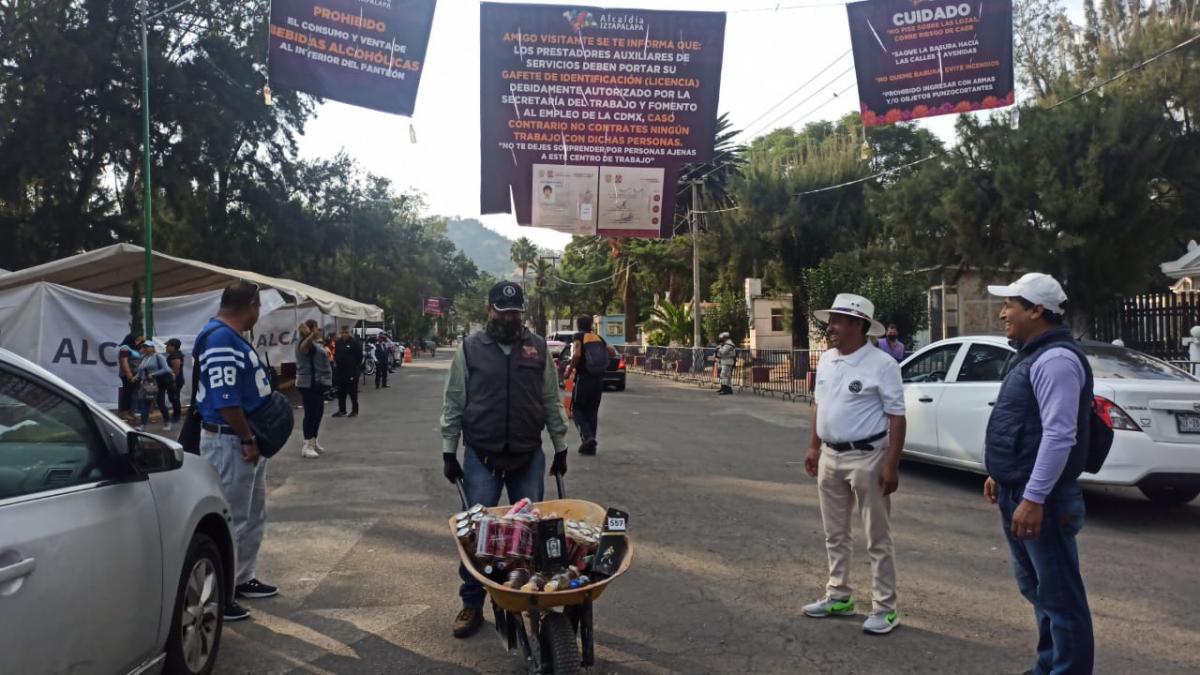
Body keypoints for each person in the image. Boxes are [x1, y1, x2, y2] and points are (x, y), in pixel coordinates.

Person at [440, 280, 570, 639]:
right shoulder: (469, 349)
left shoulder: (537, 348)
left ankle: (537, 597)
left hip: (528, 454)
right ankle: (471, 603)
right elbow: (454, 401)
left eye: (515, 311)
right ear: (489, 309)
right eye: (502, 310)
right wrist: (449, 450)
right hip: (482, 455)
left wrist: (560, 445)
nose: (509, 317)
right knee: (476, 535)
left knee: (532, 533)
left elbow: (550, 399)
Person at [982, 273, 1094, 674]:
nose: (1002, 313)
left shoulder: (1057, 360)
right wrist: (1002, 472)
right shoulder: (1032, 354)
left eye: (1010, 304)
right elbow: (1024, 426)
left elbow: (1059, 436)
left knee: (1061, 600)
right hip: (1022, 490)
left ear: (1037, 310)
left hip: (1043, 500)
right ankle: (1048, 667)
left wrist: (1033, 498)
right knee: (1040, 592)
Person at [803, 293, 907, 635]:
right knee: (835, 533)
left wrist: (891, 464)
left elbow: (896, 416)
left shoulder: (882, 365)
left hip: (868, 458)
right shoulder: (829, 360)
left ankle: (885, 607)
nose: (830, 327)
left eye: (837, 320)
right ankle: (839, 595)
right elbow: (819, 405)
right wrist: (814, 447)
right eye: (830, 320)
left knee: (877, 536)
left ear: (858, 325)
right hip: (831, 456)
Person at [194, 280, 278, 622]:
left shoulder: (230, 338)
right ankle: (221, 594)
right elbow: (225, 397)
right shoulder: (221, 339)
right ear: (252, 305)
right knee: (232, 520)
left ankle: (242, 578)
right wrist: (246, 438)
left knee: (252, 515)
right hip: (231, 440)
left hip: (243, 439)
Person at [567, 314, 616, 455]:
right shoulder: (598, 338)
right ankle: (591, 446)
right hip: (598, 380)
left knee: (576, 409)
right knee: (592, 411)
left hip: (584, 379)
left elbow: (576, 355)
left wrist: (569, 370)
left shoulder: (579, 336)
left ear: (578, 325)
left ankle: (587, 438)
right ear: (591, 325)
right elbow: (612, 352)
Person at [295, 319, 332, 459]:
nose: (319, 331)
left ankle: (313, 441)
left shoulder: (315, 344)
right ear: (312, 329)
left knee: (318, 413)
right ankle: (306, 445)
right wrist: (312, 336)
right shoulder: (304, 342)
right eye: (316, 328)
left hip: (318, 383)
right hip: (308, 383)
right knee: (310, 414)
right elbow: (303, 348)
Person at [134, 341, 173, 431]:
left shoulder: (158, 356)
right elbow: (141, 370)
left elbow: (166, 369)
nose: (145, 348)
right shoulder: (144, 358)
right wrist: (136, 377)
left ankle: (167, 422)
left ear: (152, 348)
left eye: (147, 347)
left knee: (160, 404)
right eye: (144, 347)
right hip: (147, 385)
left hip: (158, 383)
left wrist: (154, 374)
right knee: (146, 404)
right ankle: (142, 425)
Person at [332, 326, 362, 418]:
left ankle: (355, 411)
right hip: (340, 371)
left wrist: (355, 367)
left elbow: (359, 357)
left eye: (346, 332)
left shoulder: (354, 343)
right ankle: (342, 410)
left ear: (350, 333)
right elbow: (336, 354)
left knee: (352, 392)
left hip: (351, 371)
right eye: (343, 332)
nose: (344, 334)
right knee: (341, 392)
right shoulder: (338, 343)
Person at [117, 334, 144, 424]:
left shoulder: (134, 348)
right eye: (136, 340)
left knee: (134, 393)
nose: (137, 342)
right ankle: (125, 412)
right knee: (128, 392)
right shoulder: (125, 348)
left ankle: (131, 411)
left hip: (135, 374)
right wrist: (129, 374)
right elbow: (124, 361)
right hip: (128, 375)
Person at [165, 338, 185, 424]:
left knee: (174, 398)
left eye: (168, 346)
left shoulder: (175, 356)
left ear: (173, 346)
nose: (166, 347)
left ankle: (176, 416)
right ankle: (176, 415)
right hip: (175, 381)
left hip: (175, 381)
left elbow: (176, 370)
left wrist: (172, 382)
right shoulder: (175, 355)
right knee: (173, 398)